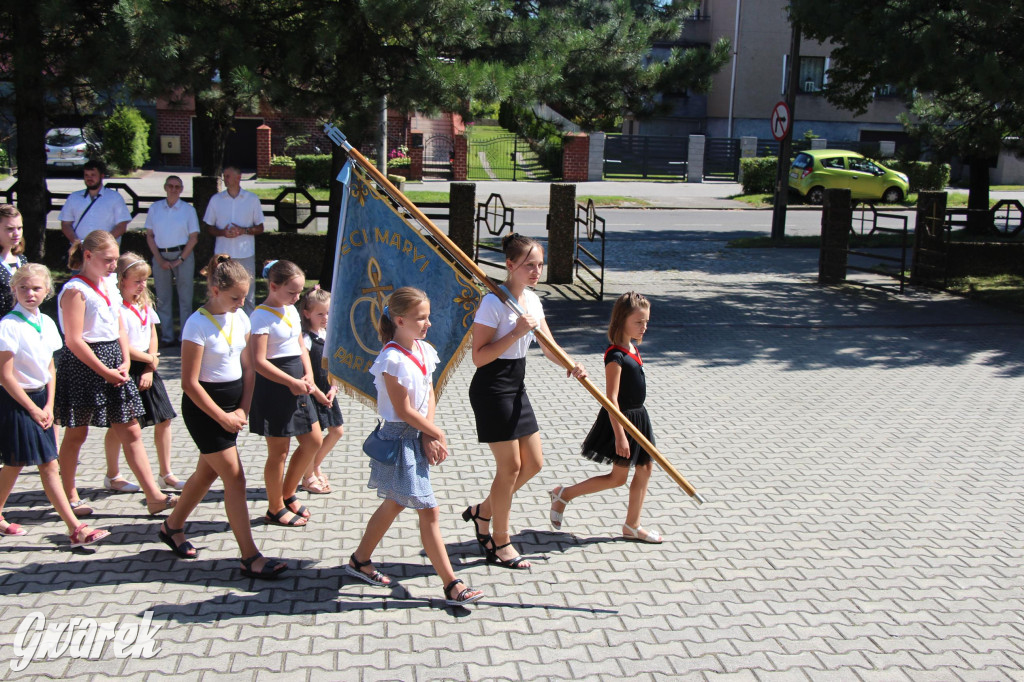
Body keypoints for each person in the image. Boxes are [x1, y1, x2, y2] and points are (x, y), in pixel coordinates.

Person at [346, 287, 484, 607]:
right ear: (399, 320)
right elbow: (405, 410)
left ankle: (360, 560)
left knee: (395, 502)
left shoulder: (423, 350)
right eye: (421, 318)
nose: (427, 323)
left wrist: (428, 433)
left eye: (427, 316)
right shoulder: (391, 359)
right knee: (429, 509)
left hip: (416, 433)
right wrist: (437, 433)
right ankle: (452, 584)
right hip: (399, 438)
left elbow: (429, 394)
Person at [157, 254, 287, 580]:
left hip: (232, 409)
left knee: (206, 474)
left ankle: (172, 527)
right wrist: (223, 417)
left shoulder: (240, 318)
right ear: (215, 290)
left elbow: (248, 367)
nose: (241, 303)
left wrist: (243, 407)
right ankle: (250, 556)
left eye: (244, 297)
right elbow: (189, 383)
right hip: (204, 410)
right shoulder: (196, 324)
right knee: (235, 478)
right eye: (235, 297)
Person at [463, 233, 586, 570]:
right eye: (529, 265)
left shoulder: (532, 300)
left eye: (539, 265)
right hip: (491, 388)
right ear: (510, 265)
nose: (536, 271)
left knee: (533, 462)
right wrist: (516, 332)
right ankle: (499, 540)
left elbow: (548, 346)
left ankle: (483, 511)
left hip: (517, 385)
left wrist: (570, 364)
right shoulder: (493, 303)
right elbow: (478, 358)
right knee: (510, 467)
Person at [54, 230, 178, 517]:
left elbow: (118, 327)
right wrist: (104, 370)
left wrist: (123, 360)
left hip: (114, 361)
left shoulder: (109, 284)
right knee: (76, 432)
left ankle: (154, 495)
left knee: (131, 429)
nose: (113, 266)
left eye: (114, 259)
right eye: (108, 260)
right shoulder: (75, 290)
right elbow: (73, 340)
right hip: (85, 365)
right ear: (88, 256)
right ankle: (68, 494)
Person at [0, 263, 111, 547]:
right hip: (17, 401)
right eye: (23, 287)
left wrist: (49, 404)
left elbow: (50, 367)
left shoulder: (46, 322)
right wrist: (33, 408)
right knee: (49, 463)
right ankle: (75, 529)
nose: (30, 293)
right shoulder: (8, 325)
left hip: (41, 401)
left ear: (47, 291)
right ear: (14, 289)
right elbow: (5, 375)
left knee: (15, 462)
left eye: (36, 288)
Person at [547, 292, 662, 543]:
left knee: (645, 468)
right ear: (622, 320)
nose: (644, 327)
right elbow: (611, 399)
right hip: (621, 421)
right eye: (638, 322)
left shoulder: (632, 347)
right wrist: (620, 436)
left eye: (646, 322)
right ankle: (563, 494)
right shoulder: (615, 355)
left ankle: (632, 526)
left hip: (638, 418)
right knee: (618, 478)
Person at [101, 253, 185, 493]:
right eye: (137, 281)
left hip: (148, 365)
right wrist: (148, 359)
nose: (142, 286)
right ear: (121, 280)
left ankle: (166, 473)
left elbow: (152, 335)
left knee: (165, 419)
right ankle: (112, 475)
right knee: (119, 426)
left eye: (145, 281)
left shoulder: (144, 304)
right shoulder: (116, 307)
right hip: (127, 366)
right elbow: (121, 342)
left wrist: (150, 364)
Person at [249, 260, 322, 526]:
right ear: (273, 286)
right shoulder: (260, 316)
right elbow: (259, 361)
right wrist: (290, 382)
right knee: (278, 452)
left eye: (300, 292)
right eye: (291, 292)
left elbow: (300, 346)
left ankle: (288, 492)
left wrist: (309, 375)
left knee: (313, 440)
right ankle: (275, 506)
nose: (297, 297)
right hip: (275, 386)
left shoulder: (290, 310)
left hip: (298, 382)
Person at [297, 286, 343, 495]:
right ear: (307, 314)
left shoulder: (327, 335)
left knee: (337, 431)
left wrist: (334, 387)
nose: (325, 318)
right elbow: (303, 370)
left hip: (327, 391)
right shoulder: (306, 339)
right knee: (312, 439)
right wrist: (316, 392)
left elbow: (333, 367)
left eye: (328, 313)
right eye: (320, 314)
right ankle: (308, 476)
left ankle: (314, 465)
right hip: (311, 393)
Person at [145, 175, 199, 346]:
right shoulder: (155, 208)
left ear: (181, 189)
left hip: (183, 254)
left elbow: (194, 237)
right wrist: (159, 259)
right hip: (161, 255)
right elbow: (150, 236)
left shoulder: (188, 210)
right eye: (170, 186)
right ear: (165, 187)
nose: (174, 189)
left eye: (177, 187)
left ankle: (185, 336)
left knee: (185, 298)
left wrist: (181, 259)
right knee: (163, 298)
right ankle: (167, 337)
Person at [202, 167, 264, 314]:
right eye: (224, 176)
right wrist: (223, 232)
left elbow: (260, 227)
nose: (225, 179)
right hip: (222, 255)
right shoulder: (216, 200)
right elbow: (209, 227)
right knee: (219, 290)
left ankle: (248, 330)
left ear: (239, 177)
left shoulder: (252, 199)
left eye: (228, 176)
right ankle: (219, 321)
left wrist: (244, 231)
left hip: (245, 254)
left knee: (248, 295)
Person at [58, 161, 132, 247]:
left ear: (102, 176)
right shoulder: (74, 197)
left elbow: (122, 226)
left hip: (106, 250)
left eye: (93, 175)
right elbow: (66, 225)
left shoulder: (115, 197)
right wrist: (77, 243)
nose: (89, 178)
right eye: (86, 175)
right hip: (80, 251)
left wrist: (101, 244)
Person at [0, 204, 27, 318]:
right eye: (10, 229)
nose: (16, 233)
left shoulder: (22, 259)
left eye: (19, 228)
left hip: (20, 325)